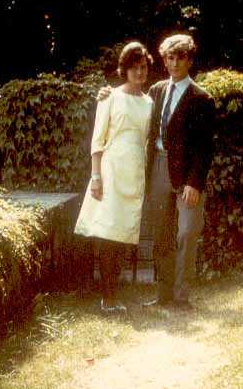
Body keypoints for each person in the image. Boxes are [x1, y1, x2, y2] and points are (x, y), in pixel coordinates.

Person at [98, 33, 215, 309]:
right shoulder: (157, 92)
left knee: (186, 232)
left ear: (189, 60)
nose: (174, 64)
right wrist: (106, 93)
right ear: (164, 60)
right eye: (169, 58)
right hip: (159, 168)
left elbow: (205, 147)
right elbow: (129, 100)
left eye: (180, 58)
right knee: (162, 233)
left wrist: (195, 182)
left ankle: (181, 296)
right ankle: (163, 295)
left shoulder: (202, 98)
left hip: (187, 176)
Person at [74, 41, 154, 314]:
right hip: (110, 172)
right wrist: (96, 177)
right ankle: (107, 298)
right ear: (124, 69)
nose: (139, 73)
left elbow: (147, 140)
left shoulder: (149, 103)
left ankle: (114, 293)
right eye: (133, 68)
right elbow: (97, 140)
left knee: (123, 234)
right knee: (107, 234)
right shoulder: (110, 97)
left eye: (143, 67)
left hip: (135, 174)